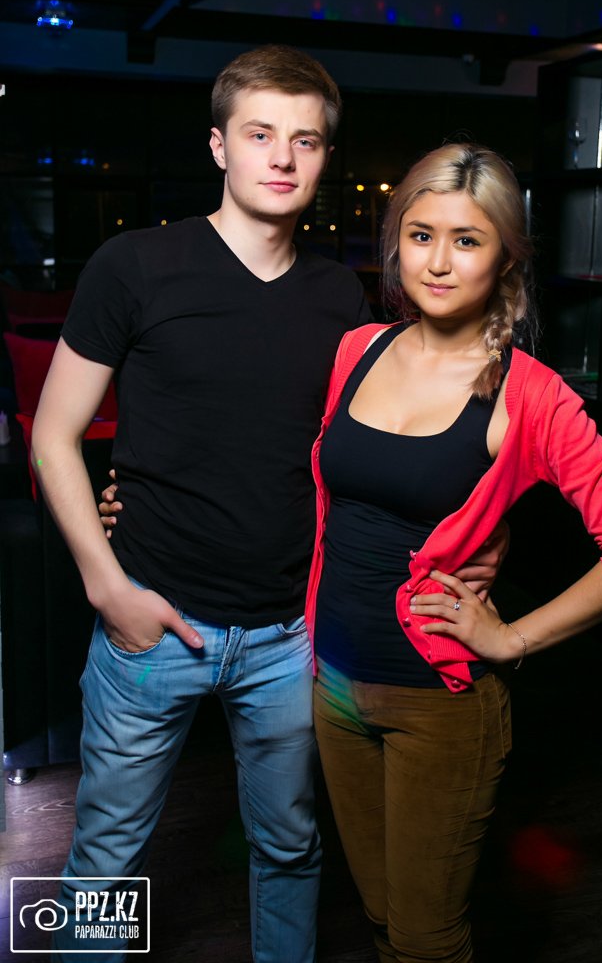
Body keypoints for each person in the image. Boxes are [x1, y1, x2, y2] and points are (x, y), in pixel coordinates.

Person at [32, 47, 505, 962]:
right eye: (260, 135)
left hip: (291, 636)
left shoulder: (344, 301)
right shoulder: (135, 265)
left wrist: (484, 538)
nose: (282, 157)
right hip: (151, 624)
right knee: (106, 857)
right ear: (220, 146)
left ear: (324, 157)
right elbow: (53, 434)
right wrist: (107, 587)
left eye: (306, 140)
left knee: (289, 848)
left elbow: (389, 451)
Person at [299, 142, 602, 962]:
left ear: (505, 257)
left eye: (466, 240)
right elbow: (338, 502)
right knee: (380, 915)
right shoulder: (357, 350)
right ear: (396, 243)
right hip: (333, 689)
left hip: (438, 705)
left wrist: (512, 639)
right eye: (420, 235)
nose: (437, 262)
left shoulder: (530, 393)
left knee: (427, 939)